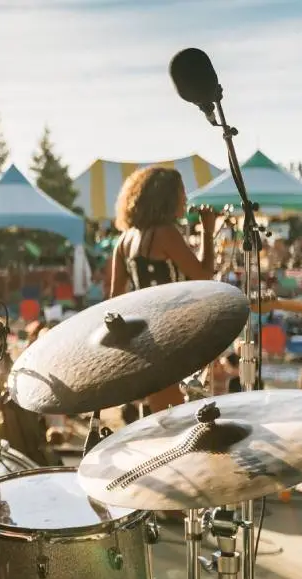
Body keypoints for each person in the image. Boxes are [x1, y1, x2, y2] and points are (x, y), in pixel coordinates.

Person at [110, 166, 217, 413]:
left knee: (157, 413)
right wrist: (208, 232)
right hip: (171, 334)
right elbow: (203, 275)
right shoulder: (166, 234)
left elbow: (115, 298)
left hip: (143, 337)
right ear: (166, 198)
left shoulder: (124, 240)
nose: (185, 199)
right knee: (174, 417)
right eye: (182, 193)